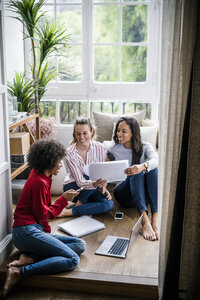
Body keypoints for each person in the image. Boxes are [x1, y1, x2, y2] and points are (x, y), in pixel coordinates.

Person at [1, 139, 86, 299]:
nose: (61, 164)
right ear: (50, 161)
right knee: (73, 259)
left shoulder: (42, 176)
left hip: (31, 231)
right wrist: (63, 199)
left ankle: (30, 258)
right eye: (59, 160)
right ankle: (19, 272)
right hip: (24, 233)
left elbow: (41, 214)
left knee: (80, 244)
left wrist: (45, 234)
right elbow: (43, 215)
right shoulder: (39, 182)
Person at [107, 116, 158, 241]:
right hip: (123, 194)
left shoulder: (145, 147)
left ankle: (155, 220)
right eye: (118, 130)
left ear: (133, 133)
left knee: (151, 169)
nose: (119, 134)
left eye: (123, 131)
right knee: (135, 172)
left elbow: (156, 160)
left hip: (142, 196)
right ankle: (145, 220)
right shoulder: (112, 147)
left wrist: (142, 166)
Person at [61, 116, 113, 217]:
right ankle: (81, 202)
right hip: (73, 187)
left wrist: (103, 187)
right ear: (74, 134)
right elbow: (80, 181)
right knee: (92, 175)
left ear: (91, 132)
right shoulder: (69, 152)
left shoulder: (101, 148)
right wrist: (95, 183)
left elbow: (103, 173)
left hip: (92, 187)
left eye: (85, 133)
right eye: (78, 134)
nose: (81, 137)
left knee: (108, 203)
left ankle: (69, 212)